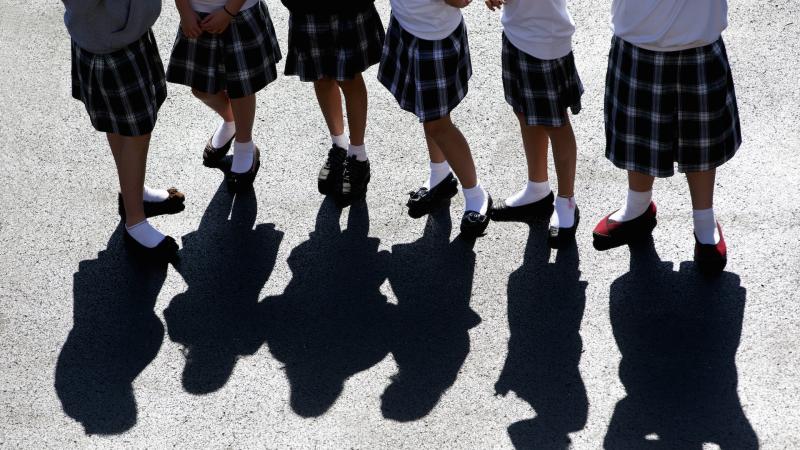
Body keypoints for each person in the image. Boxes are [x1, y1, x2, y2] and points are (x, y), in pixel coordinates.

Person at [592, 0, 740, 276]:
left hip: (698, 36)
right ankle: (637, 207)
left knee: (700, 141)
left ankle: (704, 223)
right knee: (637, 135)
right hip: (637, 33)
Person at [64, 0, 185, 260]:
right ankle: (135, 221)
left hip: (127, 35)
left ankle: (133, 193)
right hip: (106, 42)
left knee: (122, 124)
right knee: (135, 130)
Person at [378, 0, 493, 238]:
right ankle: (439, 173)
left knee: (437, 124)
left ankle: (475, 193)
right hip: (407, 25)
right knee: (429, 113)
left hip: (434, 35)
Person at [485, 0, 584, 249]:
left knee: (556, 124)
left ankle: (566, 202)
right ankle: (537, 188)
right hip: (515, 33)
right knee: (524, 112)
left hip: (546, 39)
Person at [167, 0, 282, 191]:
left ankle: (245, 144)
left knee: (241, 88)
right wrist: (184, 10)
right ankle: (231, 122)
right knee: (201, 89)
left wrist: (228, 11)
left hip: (238, 12)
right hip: (198, 16)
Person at [281, 0, 386, 207]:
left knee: (349, 77)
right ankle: (339, 145)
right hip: (306, 8)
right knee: (320, 77)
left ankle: (358, 156)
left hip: (347, 7)